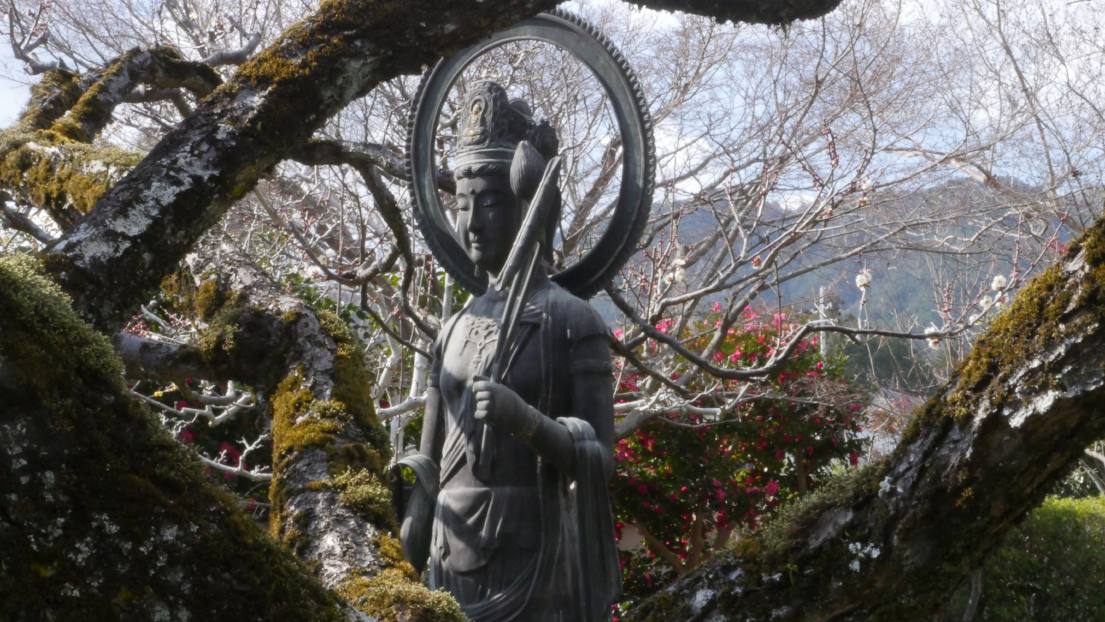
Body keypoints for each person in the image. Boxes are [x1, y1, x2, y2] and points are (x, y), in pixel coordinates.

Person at [394, 81, 620, 622]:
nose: (472, 222)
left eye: (490, 203)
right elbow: (430, 462)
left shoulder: (573, 321)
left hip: (537, 558)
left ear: (526, 205)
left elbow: (601, 458)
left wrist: (528, 423)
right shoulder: (452, 330)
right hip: (447, 557)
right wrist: (405, 548)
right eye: (462, 204)